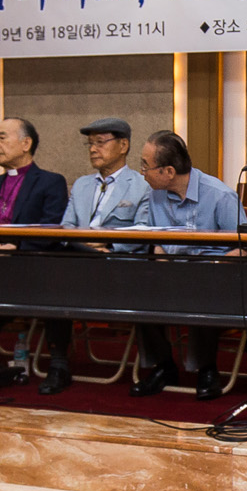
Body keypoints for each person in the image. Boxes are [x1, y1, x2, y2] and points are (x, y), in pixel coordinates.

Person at [39, 117, 154, 395]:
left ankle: (58, 362)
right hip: (78, 261)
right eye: (90, 143)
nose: (93, 149)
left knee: (58, 269)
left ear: (123, 145)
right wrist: (85, 243)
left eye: (100, 142)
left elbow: (144, 231)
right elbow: (66, 226)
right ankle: (58, 363)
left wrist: (109, 244)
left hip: (116, 264)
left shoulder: (142, 185)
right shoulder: (81, 185)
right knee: (52, 267)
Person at [128, 130, 240, 400]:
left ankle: (207, 369)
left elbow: (245, 247)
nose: (142, 172)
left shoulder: (219, 195)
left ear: (168, 171)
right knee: (138, 288)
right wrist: (161, 261)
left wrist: (215, 264)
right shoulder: (155, 194)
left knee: (201, 286)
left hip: (213, 272)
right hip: (172, 271)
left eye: (145, 166)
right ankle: (163, 366)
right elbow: (156, 240)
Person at [0, 116, 69, 375]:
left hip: (29, 260)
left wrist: (17, 247)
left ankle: (58, 362)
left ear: (26, 144)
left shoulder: (50, 182)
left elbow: (51, 229)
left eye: (2, 138)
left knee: (55, 278)